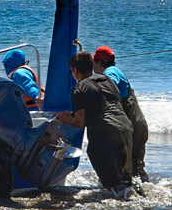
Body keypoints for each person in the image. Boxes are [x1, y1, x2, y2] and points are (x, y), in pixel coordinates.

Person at [54, 51, 134, 198]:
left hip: (105, 132)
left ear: (75, 70)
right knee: (126, 180)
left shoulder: (79, 88)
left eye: (71, 71)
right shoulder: (107, 80)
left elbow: (80, 122)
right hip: (125, 127)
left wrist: (65, 119)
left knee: (111, 183)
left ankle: (117, 204)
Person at [93, 46, 150, 182]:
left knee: (126, 171)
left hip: (131, 129)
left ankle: (130, 191)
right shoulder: (114, 71)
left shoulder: (110, 72)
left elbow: (110, 83)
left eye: (93, 62)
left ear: (98, 62)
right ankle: (144, 190)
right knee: (135, 170)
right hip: (136, 126)